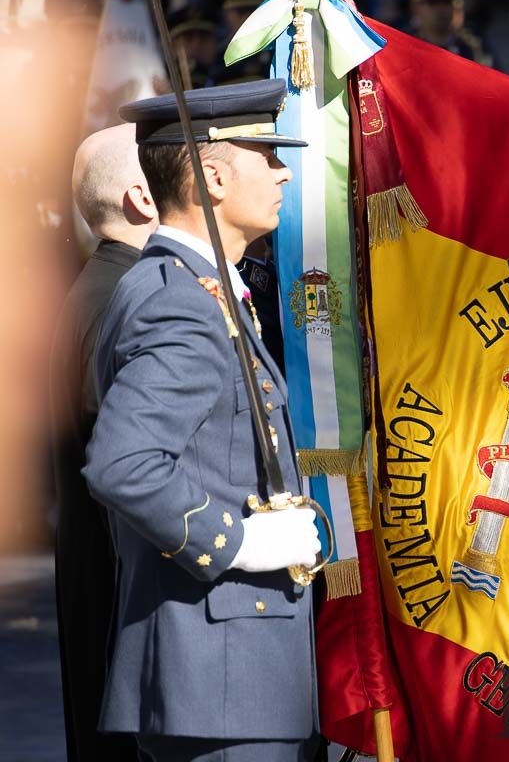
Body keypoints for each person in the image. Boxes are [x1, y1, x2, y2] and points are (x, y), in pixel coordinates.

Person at [83, 79, 322, 762]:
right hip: (219, 674)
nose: (282, 171)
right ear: (213, 176)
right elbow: (123, 464)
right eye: (267, 155)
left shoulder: (202, 287)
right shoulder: (181, 301)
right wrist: (238, 543)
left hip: (235, 671)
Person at [51, 123, 156, 762]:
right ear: (143, 196)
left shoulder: (104, 286)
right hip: (120, 590)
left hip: (99, 577)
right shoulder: (130, 297)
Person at [404, 0, 493, 67]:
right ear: (415, 7)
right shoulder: (405, 47)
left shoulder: (475, 48)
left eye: (447, 2)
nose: (441, 9)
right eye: (432, 3)